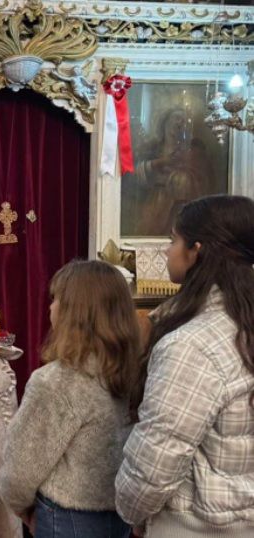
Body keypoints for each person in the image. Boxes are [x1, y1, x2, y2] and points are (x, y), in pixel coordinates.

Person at [116, 195, 254, 537]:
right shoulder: (240, 325)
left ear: (196, 251)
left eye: (174, 240)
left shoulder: (193, 345)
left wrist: (132, 514)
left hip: (197, 527)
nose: (166, 251)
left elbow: (156, 461)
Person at [0, 260, 141, 538]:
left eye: (56, 299)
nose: (50, 307)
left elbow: (19, 472)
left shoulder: (56, 382)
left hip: (68, 519)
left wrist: (23, 509)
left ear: (76, 312)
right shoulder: (134, 372)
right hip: (121, 514)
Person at [128, 108, 216, 236]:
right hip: (155, 202)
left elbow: (203, 179)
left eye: (184, 121)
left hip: (180, 204)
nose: (180, 123)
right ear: (165, 122)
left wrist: (177, 178)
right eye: (177, 118)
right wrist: (157, 163)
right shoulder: (152, 147)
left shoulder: (192, 150)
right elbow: (133, 173)